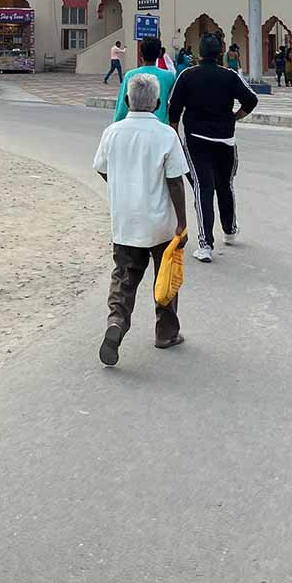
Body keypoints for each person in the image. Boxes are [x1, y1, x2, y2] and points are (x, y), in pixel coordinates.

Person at [93, 72, 189, 366]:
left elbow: (102, 168)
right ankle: (166, 332)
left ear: (126, 100)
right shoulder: (165, 134)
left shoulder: (113, 132)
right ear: (158, 102)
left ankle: (117, 322)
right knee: (166, 277)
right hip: (160, 223)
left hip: (125, 221)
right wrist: (182, 223)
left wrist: (121, 185)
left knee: (124, 276)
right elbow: (175, 181)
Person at [169, 31, 259, 263]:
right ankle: (229, 229)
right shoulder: (229, 76)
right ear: (220, 52)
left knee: (203, 188)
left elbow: (174, 110)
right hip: (225, 140)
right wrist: (235, 117)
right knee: (225, 185)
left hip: (196, 139)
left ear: (199, 53)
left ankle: (205, 244)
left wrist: (175, 138)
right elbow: (252, 99)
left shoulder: (188, 76)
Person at [114, 36, 176, 125]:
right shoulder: (169, 76)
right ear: (160, 53)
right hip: (160, 125)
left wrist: (116, 125)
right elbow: (173, 106)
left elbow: (122, 107)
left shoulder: (130, 75)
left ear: (140, 53)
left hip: (134, 125)